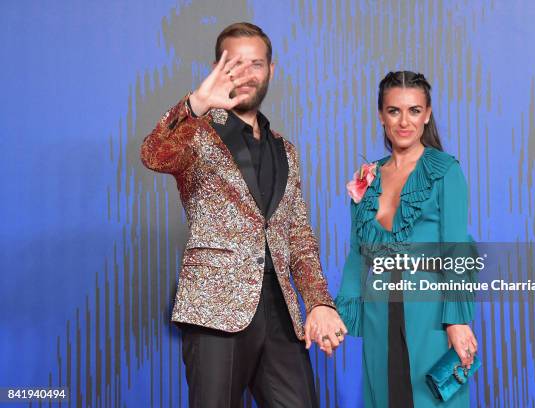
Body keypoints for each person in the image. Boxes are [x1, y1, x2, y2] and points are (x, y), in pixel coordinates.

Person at [141, 22, 346, 408]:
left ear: (272, 69)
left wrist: (318, 302)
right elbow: (153, 154)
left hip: (280, 310)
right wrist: (195, 105)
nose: (247, 74)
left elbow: (298, 238)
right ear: (218, 68)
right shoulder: (197, 133)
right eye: (235, 64)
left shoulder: (286, 150)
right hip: (216, 311)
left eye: (256, 64)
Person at [335, 71, 479, 407]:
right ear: (380, 115)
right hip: (378, 313)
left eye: (414, 110)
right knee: (383, 396)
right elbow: (358, 253)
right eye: (394, 110)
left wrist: (456, 321)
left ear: (427, 114)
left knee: (432, 399)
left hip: (430, 313)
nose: (404, 121)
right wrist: (339, 313)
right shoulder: (365, 177)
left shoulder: (445, 170)